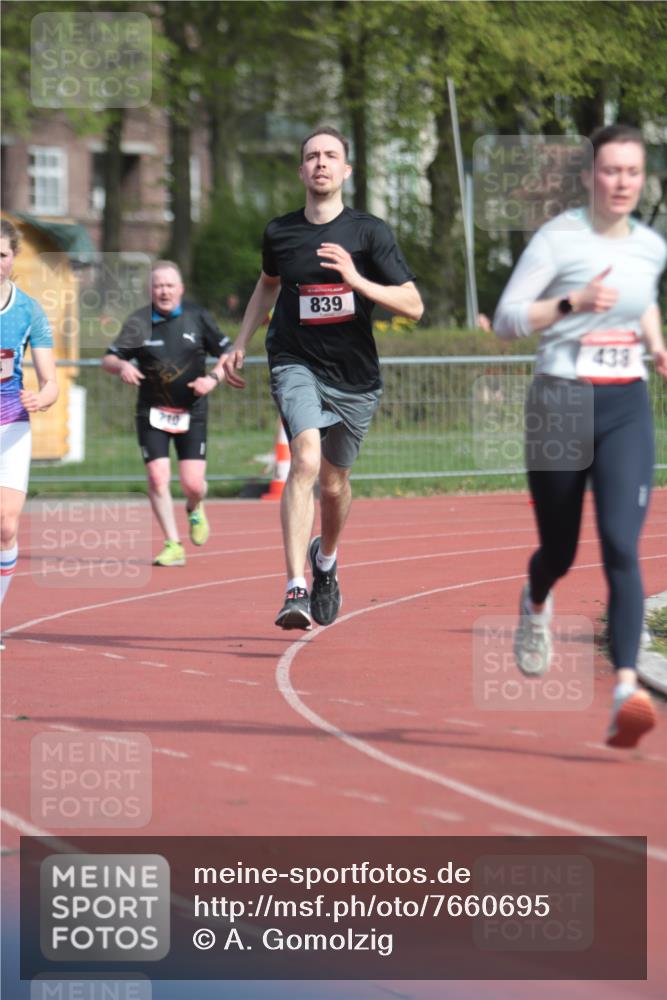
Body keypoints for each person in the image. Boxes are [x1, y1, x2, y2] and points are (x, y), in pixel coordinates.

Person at [493, 124, 667, 749]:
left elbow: (641, 299)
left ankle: (626, 690)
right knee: (561, 551)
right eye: (609, 170)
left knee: (622, 544)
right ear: (589, 174)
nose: (620, 182)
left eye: (631, 172)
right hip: (561, 403)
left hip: (625, 405)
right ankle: (536, 599)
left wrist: (656, 340)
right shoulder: (558, 238)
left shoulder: (651, 246)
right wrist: (573, 301)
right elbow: (509, 321)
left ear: (642, 178)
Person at [223, 126, 423, 629]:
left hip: (355, 375)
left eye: (331, 156)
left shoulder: (369, 233)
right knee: (305, 459)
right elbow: (266, 286)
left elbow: (414, 306)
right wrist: (242, 341)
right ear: (301, 171)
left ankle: (325, 562)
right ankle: (294, 587)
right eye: (312, 156)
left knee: (334, 486)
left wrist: (357, 280)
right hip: (294, 360)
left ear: (346, 170)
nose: (320, 163)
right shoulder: (280, 232)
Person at [102, 261, 231, 566]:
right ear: (150, 290)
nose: (164, 291)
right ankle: (173, 543)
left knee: (193, 484)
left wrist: (212, 378)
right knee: (158, 477)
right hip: (152, 412)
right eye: (158, 285)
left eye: (169, 285)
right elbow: (108, 358)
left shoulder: (197, 317)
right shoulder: (138, 322)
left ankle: (195, 507)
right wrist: (122, 366)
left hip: (192, 411)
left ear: (180, 289)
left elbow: (228, 354)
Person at [0, 218, 58, 649]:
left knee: (5, 524)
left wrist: (44, 396)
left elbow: (50, 381)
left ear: (12, 258)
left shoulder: (29, 310)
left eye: (1, 255)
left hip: (10, 422)